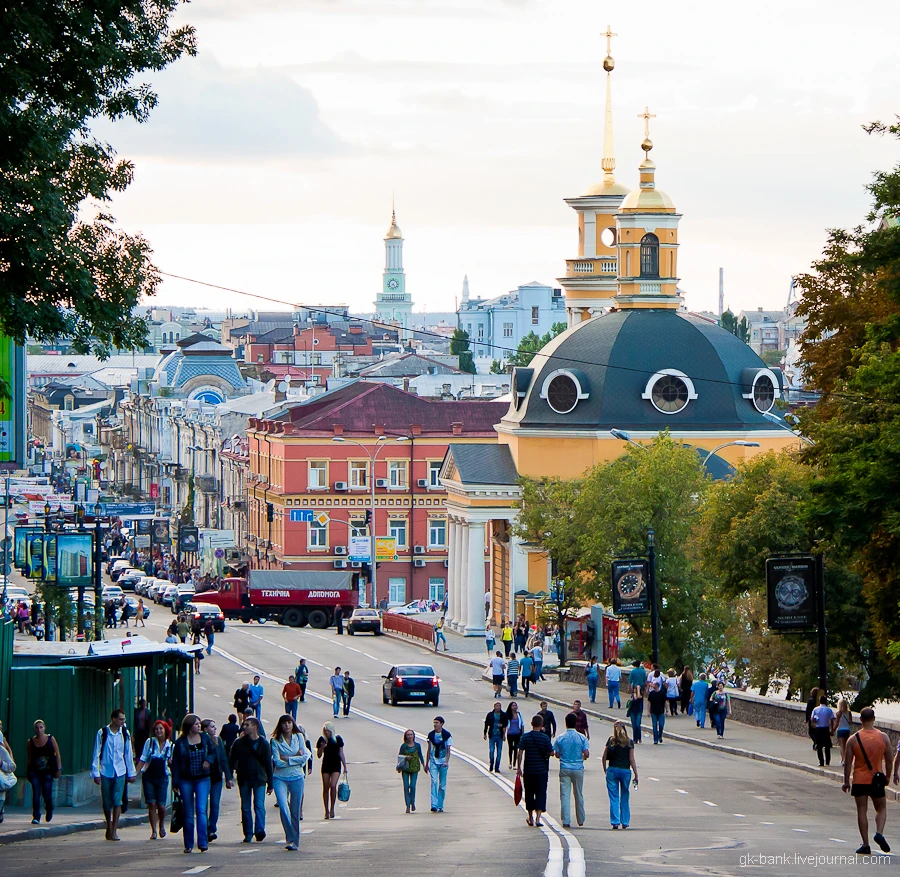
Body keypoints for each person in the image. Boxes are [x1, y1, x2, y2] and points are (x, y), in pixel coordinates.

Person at [842, 707, 893, 855]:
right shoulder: (883, 738)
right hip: (876, 780)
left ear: (861, 720)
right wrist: (888, 776)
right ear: (874, 719)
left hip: (859, 779)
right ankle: (879, 833)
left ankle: (865, 844)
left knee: (862, 811)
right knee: (881, 808)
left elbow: (848, 763)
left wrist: (846, 781)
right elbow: (889, 759)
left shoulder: (853, 739)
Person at [170, 713, 216, 854]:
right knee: (188, 813)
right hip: (186, 779)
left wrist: (208, 760)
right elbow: (176, 763)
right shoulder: (181, 742)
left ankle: (202, 842)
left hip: (203, 778)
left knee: (201, 809)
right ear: (189, 726)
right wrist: (175, 782)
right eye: (196, 724)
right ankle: (188, 844)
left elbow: (213, 752)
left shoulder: (204, 738)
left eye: (199, 723)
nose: (199, 726)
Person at [91, 708, 137, 841]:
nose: (123, 722)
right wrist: (96, 772)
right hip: (106, 770)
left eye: (124, 719)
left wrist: (131, 772)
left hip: (120, 771)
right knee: (106, 802)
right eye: (121, 719)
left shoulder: (124, 733)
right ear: (114, 719)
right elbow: (96, 753)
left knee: (118, 801)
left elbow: (128, 753)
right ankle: (108, 826)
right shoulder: (103, 733)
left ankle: (114, 829)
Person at [229, 716, 274, 842]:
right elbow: (231, 760)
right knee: (245, 806)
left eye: (247, 725)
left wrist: (270, 784)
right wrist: (229, 777)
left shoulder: (264, 743)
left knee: (259, 805)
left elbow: (268, 764)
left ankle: (259, 830)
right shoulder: (239, 743)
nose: (244, 727)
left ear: (255, 727)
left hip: (259, 778)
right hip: (244, 778)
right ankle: (248, 833)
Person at [271, 714, 309, 852]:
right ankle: (289, 837)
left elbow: (305, 757)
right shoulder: (275, 741)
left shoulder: (298, 737)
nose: (287, 725)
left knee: (294, 810)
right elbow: (277, 762)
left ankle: (294, 841)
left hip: (297, 777)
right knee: (283, 806)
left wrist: (289, 759)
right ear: (280, 725)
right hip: (280, 778)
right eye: (284, 723)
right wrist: (295, 758)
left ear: (293, 724)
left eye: (289, 722)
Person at [136, 719, 173, 840]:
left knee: (161, 805)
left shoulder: (171, 746)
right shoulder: (150, 742)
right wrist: (136, 773)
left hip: (163, 777)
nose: (158, 731)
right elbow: (143, 758)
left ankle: (161, 824)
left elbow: (173, 763)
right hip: (149, 776)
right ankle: (153, 831)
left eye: (161, 729)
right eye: (156, 729)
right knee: (151, 803)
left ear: (165, 730)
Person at [554, 712, 590, 829]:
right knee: (578, 793)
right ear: (575, 723)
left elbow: (557, 754)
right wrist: (582, 758)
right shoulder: (581, 737)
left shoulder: (560, 738)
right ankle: (580, 819)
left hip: (565, 767)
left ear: (565, 724)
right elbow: (586, 753)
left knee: (565, 794)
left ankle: (566, 820)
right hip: (578, 767)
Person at [517, 715, 553, 828]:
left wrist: (519, 767)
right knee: (541, 793)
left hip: (529, 770)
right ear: (542, 725)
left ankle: (530, 817)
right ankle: (538, 818)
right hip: (541, 771)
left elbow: (520, 752)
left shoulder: (525, 737)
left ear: (531, 723)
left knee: (529, 793)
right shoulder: (545, 738)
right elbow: (551, 752)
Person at [201, 718, 233, 842]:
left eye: (215, 726)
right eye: (212, 727)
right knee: (203, 805)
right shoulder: (201, 740)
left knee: (214, 804)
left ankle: (211, 829)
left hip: (216, 777)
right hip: (204, 777)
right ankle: (203, 829)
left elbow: (223, 759)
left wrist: (228, 777)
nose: (214, 729)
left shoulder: (218, 740)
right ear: (205, 729)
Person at [602, 721, 638, 829]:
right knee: (625, 796)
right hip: (625, 771)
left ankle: (615, 821)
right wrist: (636, 774)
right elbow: (631, 760)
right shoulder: (629, 742)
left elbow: (604, 757)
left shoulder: (611, 741)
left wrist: (605, 770)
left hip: (612, 770)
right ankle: (625, 822)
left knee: (614, 797)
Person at [26, 719, 61, 824]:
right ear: (34, 730)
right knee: (36, 793)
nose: (39, 730)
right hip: (35, 771)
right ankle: (36, 816)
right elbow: (29, 757)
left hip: (48, 771)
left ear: (44, 728)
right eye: (37, 728)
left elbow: (57, 753)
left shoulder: (51, 739)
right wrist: (27, 771)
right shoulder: (31, 742)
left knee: (47, 792)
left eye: (41, 727)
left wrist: (58, 768)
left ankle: (49, 808)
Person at [316, 722, 346, 820]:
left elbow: (341, 753)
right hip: (326, 765)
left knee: (333, 785)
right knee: (325, 787)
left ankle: (332, 808)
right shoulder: (322, 740)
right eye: (325, 731)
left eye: (328, 730)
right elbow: (319, 755)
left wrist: (345, 766)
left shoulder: (337, 740)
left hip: (336, 765)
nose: (327, 732)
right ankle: (326, 810)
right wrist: (322, 747)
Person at [426, 716, 453, 812]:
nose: (435, 724)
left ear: (442, 724)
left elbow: (448, 750)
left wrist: (446, 761)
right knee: (434, 782)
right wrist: (426, 763)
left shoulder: (446, 735)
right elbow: (429, 749)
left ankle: (440, 805)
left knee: (442, 785)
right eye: (434, 722)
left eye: (437, 722)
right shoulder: (431, 735)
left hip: (443, 763)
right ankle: (434, 804)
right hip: (433, 761)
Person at [397, 729, 424, 813]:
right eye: (408, 735)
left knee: (412, 786)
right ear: (405, 736)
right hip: (405, 768)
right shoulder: (403, 746)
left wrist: (424, 765)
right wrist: (400, 765)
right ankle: (407, 805)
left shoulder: (417, 746)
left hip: (414, 768)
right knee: (406, 786)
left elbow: (420, 755)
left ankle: (413, 802)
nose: (409, 736)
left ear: (413, 736)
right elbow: (400, 757)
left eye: (411, 734)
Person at [810, 695, 836, 767]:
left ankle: (821, 761)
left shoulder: (815, 709)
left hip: (818, 728)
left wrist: (815, 721)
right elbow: (831, 720)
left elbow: (812, 719)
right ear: (826, 701)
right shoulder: (829, 710)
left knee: (819, 746)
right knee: (827, 745)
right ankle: (827, 761)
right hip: (826, 729)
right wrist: (832, 730)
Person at [483, 702, 508, 772]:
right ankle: (491, 763)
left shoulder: (503, 715)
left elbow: (505, 724)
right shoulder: (490, 715)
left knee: (499, 752)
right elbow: (486, 724)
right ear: (494, 707)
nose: (498, 707)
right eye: (497, 706)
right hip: (492, 735)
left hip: (499, 735)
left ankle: (497, 767)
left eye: (499, 706)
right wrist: (484, 733)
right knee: (491, 751)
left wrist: (503, 733)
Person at [647, 679, 667, 744]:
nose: (652, 685)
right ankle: (655, 739)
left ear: (657, 686)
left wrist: (667, 710)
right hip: (653, 711)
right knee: (654, 726)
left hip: (661, 711)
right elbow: (649, 702)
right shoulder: (651, 693)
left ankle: (660, 736)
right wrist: (648, 711)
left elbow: (665, 702)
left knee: (661, 725)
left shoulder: (662, 693)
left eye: (654, 684)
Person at [505, 701, 524, 769]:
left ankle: (514, 763)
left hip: (517, 734)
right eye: (513, 706)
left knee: (516, 748)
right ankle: (510, 762)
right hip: (510, 734)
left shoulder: (519, 714)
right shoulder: (508, 715)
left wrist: (522, 733)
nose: (514, 707)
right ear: (510, 707)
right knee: (511, 748)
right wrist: (504, 734)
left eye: (515, 705)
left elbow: (522, 724)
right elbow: (505, 725)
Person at [835, 698, 853, 765]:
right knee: (846, 746)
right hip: (847, 730)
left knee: (842, 746)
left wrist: (833, 730)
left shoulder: (838, 713)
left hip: (840, 730)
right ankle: (846, 759)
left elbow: (837, 723)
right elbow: (850, 722)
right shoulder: (849, 713)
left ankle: (843, 760)